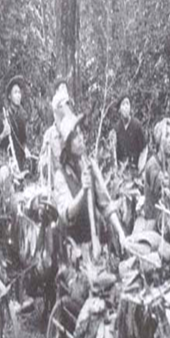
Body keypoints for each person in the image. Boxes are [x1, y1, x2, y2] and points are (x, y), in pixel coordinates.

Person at [53, 111, 127, 245]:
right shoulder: (61, 176)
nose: (81, 138)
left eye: (80, 133)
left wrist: (120, 232)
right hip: (72, 246)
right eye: (75, 137)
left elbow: (106, 204)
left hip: (93, 242)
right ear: (67, 146)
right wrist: (83, 191)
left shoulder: (90, 166)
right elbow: (67, 215)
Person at [40, 81, 74, 188]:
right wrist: (45, 164)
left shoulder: (73, 132)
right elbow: (42, 165)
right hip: (54, 186)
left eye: (66, 106)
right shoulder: (49, 135)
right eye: (60, 107)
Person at [0, 75, 30, 170]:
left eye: (19, 92)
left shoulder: (23, 116)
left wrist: (26, 149)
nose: (18, 95)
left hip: (20, 161)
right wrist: (3, 134)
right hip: (7, 160)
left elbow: (23, 140)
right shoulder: (4, 117)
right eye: (15, 92)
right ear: (9, 96)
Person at [112, 95, 146, 171]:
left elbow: (144, 148)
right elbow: (114, 151)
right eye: (123, 104)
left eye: (127, 104)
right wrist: (116, 168)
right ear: (119, 109)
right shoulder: (117, 128)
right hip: (121, 169)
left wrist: (140, 167)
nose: (126, 107)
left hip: (135, 169)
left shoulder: (137, 125)